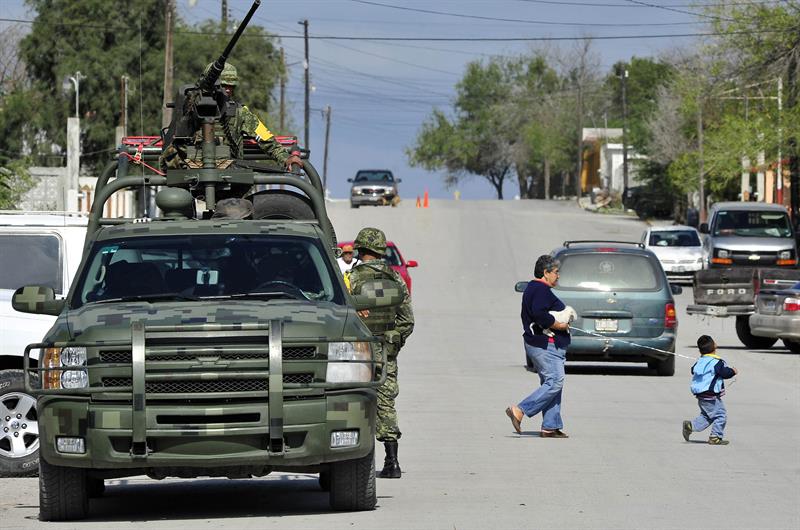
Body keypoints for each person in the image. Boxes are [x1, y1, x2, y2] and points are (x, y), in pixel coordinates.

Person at [345, 227, 414, 478]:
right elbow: (407, 321)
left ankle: (353, 460)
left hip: (356, 350)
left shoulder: (349, 280)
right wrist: (393, 344)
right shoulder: (396, 280)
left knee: (352, 401)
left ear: (360, 250)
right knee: (386, 403)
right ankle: (392, 461)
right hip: (386, 349)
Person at [162, 63, 302, 171]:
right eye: (224, 85)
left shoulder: (239, 112)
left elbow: (266, 139)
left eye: (231, 86)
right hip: (190, 171)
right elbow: (175, 144)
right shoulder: (189, 109)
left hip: (228, 176)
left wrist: (286, 159)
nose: (228, 89)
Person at [506, 255, 572, 438]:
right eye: (556, 272)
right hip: (545, 344)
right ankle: (520, 410)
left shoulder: (535, 288)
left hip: (543, 344)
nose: (558, 276)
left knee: (551, 383)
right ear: (546, 273)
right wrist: (559, 325)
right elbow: (540, 315)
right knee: (555, 381)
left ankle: (550, 426)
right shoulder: (540, 290)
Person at [683, 335, 738, 445]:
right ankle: (715, 436)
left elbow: (693, 370)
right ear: (715, 346)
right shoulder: (717, 362)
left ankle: (690, 426)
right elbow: (724, 373)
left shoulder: (700, 361)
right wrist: (733, 371)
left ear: (700, 350)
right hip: (711, 396)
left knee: (707, 416)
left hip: (701, 395)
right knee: (720, 415)